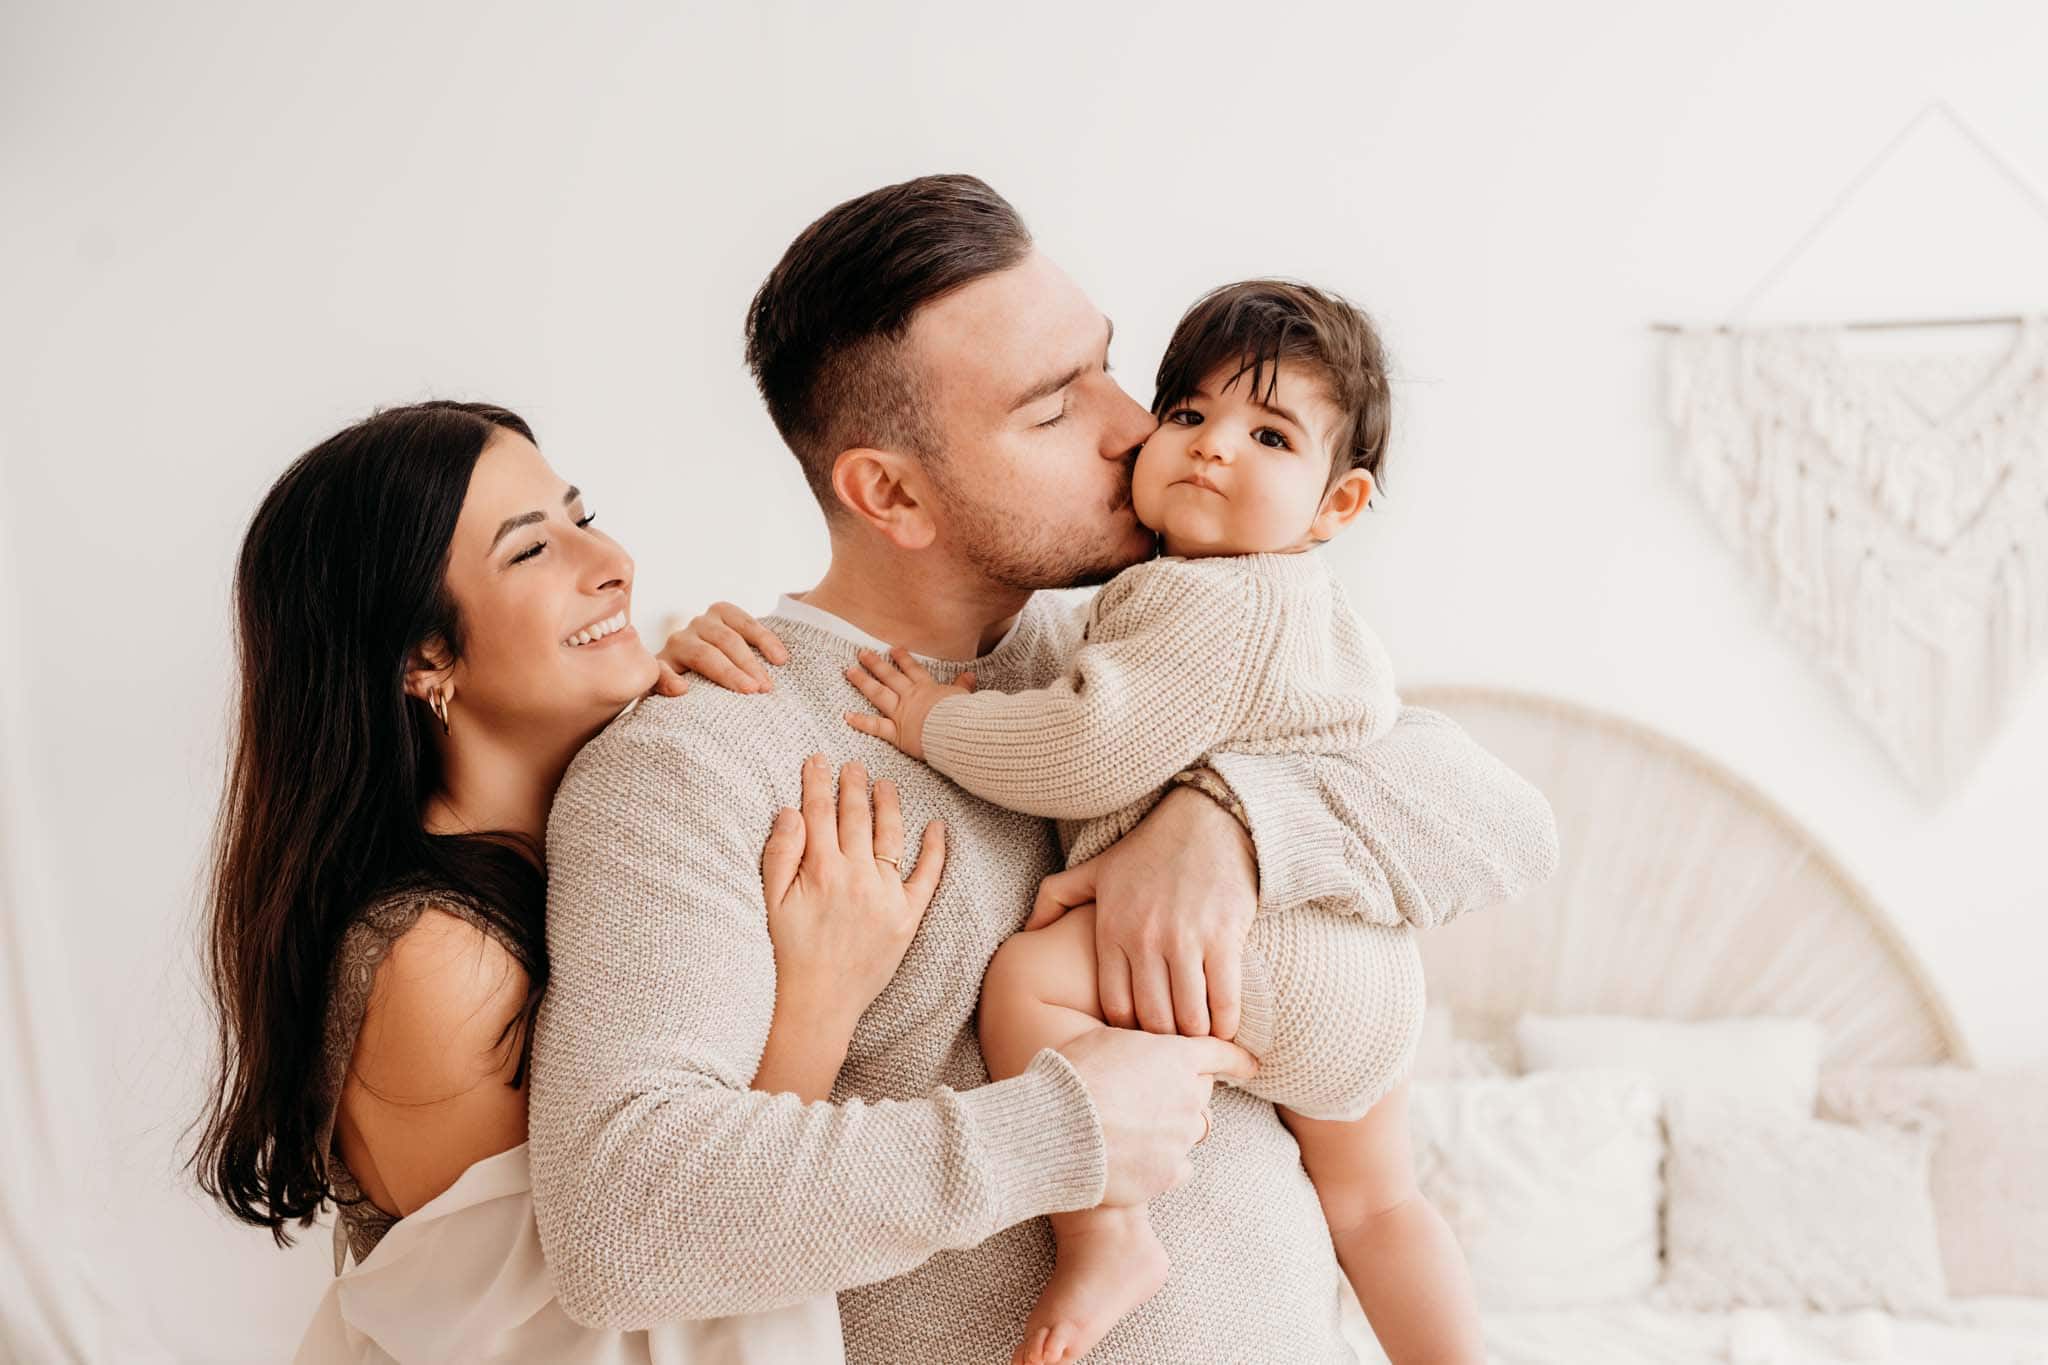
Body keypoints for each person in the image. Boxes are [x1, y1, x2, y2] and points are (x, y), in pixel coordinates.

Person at [532, 175, 1558, 1364]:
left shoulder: (1129, 643)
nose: (1138, 426)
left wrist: (1231, 826)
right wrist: (1052, 1135)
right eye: (1054, 405)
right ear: (891, 494)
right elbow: (618, 1224)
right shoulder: (704, 759)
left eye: (1111, 364)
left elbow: (1508, 823)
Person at [192, 400, 1234, 1363]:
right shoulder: (438, 959)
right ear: (424, 659)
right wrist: (817, 1007)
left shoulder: (612, 811)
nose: (608, 562)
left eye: (581, 514)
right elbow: (637, 1299)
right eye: (532, 551)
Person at [842, 278, 1486, 1363]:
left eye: (1269, 434)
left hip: (1262, 957)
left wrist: (939, 721)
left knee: (1025, 980)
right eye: (1186, 413)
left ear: (1336, 508)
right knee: (1378, 1209)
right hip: (1365, 974)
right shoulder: (1305, 612)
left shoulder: (1213, 604)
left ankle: (1107, 1236)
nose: (1211, 447)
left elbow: (1088, 747)